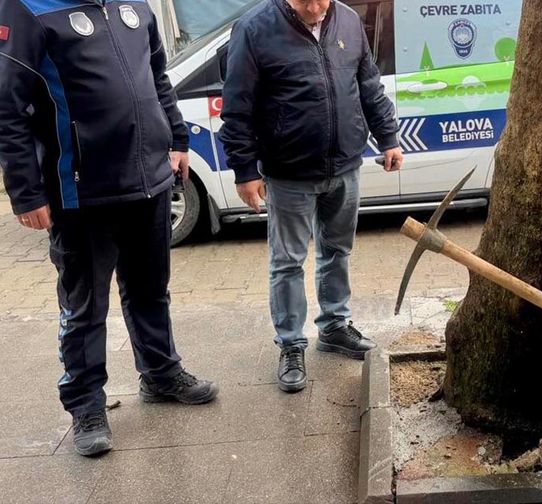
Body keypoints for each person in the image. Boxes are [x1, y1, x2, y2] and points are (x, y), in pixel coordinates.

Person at [0, 0, 218, 457]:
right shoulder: (25, 9)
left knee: (150, 289)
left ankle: (160, 374)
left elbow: (157, 76)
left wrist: (177, 138)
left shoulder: (134, 4)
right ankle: (86, 405)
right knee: (84, 308)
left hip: (150, 180)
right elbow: (7, 108)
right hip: (79, 191)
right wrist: (26, 192)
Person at [220, 0, 403, 393]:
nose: (316, 7)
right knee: (287, 262)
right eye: (305, 1)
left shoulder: (348, 20)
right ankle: (291, 344)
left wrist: (388, 136)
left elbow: (368, 85)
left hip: (345, 165)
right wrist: (245, 171)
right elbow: (237, 107)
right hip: (289, 172)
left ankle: (334, 326)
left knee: (337, 250)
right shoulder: (254, 29)